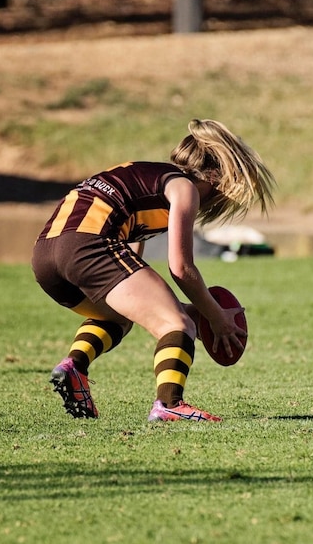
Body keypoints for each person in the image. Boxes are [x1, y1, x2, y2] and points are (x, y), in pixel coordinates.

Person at [32, 119, 276, 422]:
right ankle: (170, 403)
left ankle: (74, 367)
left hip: (45, 256)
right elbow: (182, 268)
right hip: (88, 246)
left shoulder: (149, 176)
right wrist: (212, 315)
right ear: (214, 174)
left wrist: (176, 305)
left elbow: (133, 270)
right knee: (178, 324)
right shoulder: (184, 188)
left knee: (118, 316)